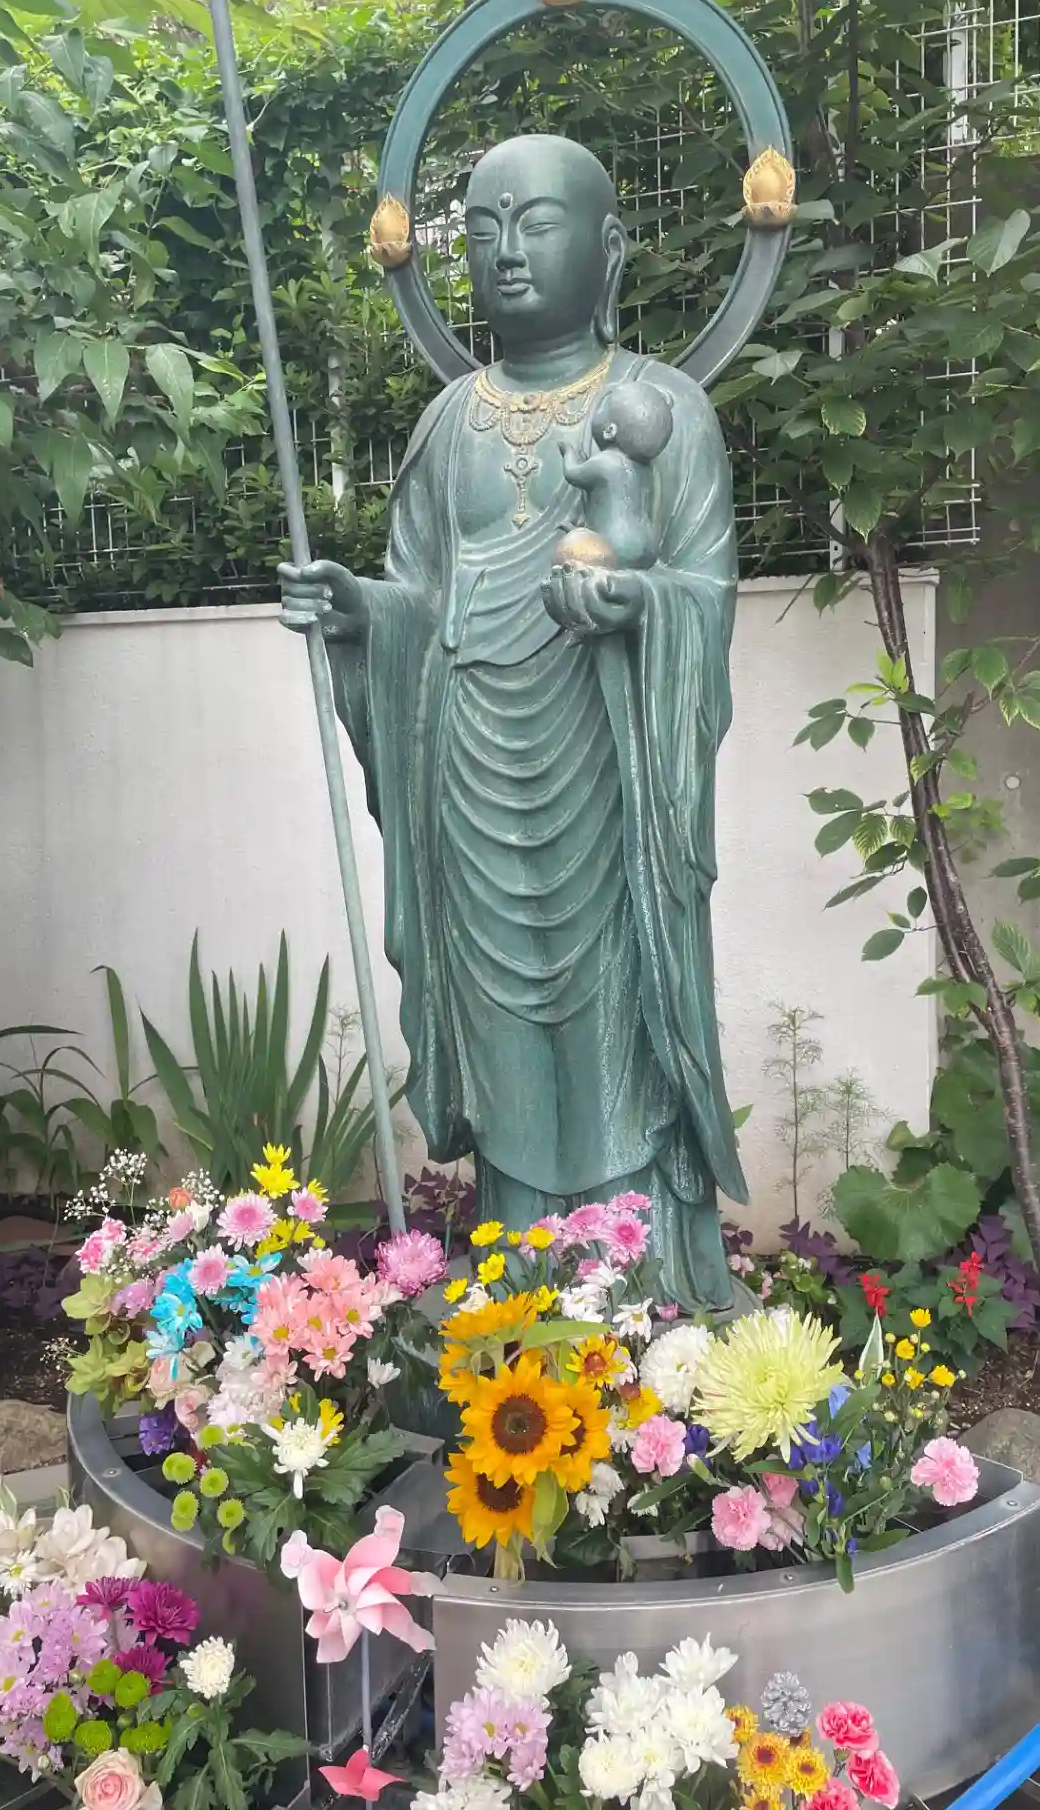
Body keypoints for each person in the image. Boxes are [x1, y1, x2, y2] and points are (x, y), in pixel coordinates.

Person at [280, 133, 746, 1309]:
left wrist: (640, 604)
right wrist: (364, 616)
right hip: (469, 768)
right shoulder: (449, 425)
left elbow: (705, 591)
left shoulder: (669, 410)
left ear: (610, 248)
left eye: (535, 223)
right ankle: (520, 1277)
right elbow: (421, 596)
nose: (507, 252)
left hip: (609, 765)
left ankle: (639, 1281)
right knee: (499, 1025)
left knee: (618, 1013)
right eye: (482, 229)